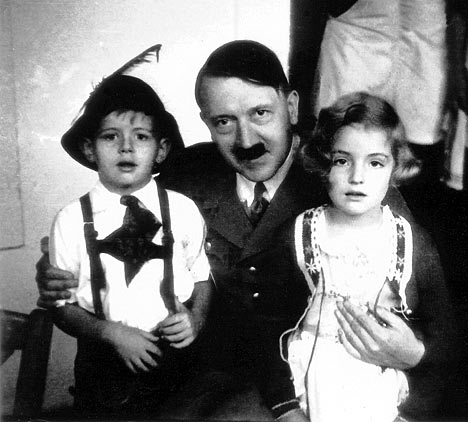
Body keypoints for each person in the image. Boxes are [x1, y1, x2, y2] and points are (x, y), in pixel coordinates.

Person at [37, 41, 420, 421]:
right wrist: (58, 272)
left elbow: (425, 306)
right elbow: (114, 237)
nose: (246, 140)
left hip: (312, 381)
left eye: (261, 114)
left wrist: (415, 352)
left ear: (291, 107)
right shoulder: (186, 176)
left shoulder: (350, 177)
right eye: (224, 121)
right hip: (200, 379)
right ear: (205, 121)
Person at [284, 92, 457, 421]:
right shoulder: (301, 234)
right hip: (314, 380)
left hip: (379, 383)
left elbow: (445, 332)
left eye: (375, 162)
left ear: (395, 168)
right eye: (342, 161)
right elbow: (270, 322)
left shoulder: (411, 242)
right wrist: (285, 408)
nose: (357, 177)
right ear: (324, 163)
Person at [47, 73, 211, 418]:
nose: (126, 147)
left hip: (177, 365)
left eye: (141, 136)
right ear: (90, 148)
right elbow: (61, 307)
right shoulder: (71, 219)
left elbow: (201, 277)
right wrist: (111, 333)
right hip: (103, 367)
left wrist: (196, 318)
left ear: (161, 150)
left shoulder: (182, 210)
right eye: (111, 136)